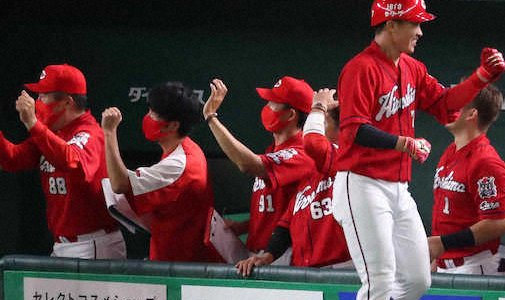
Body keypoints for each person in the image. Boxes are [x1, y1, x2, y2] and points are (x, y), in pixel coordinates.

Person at [328, 0, 505, 300]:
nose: (420, 31)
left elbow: (445, 105)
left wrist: (479, 78)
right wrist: (402, 143)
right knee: (378, 278)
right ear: (390, 24)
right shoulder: (361, 69)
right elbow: (354, 130)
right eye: (414, 23)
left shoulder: (410, 67)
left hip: (397, 186)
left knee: (417, 277)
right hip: (361, 181)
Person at [0, 64, 124, 259]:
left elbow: (70, 160)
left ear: (67, 102)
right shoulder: (52, 133)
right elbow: (12, 160)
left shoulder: (90, 133)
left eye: (43, 96)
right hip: (63, 244)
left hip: (92, 243)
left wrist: (33, 123)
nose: (37, 102)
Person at [235, 89, 351, 275]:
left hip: (343, 269)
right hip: (305, 269)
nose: (313, 129)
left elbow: (314, 144)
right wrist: (267, 256)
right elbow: (286, 224)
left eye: (323, 122)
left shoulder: (347, 162)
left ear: (342, 130)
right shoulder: (310, 170)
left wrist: (320, 106)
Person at [102, 81, 220, 263]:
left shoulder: (179, 164)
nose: (148, 117)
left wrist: (109, 132)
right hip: (175, 259)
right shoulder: (187, 148)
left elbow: (119, 184)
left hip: (180, 267)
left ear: (172, 126)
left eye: (154, 114)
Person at [203, 76, 315, 264]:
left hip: (282, 254)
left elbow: (246, 165)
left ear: (290, 115)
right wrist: (244, 226)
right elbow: (277, 209)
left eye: (274, 104)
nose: (267, 107)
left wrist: (211, 118)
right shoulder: (275, 149)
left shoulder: (302, 152)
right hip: (258, 254)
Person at [428, 83, 505, 275]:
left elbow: (496, 224)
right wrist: (437, 260)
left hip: (472, 267)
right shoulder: (450, 152)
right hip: (443, 266)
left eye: (455, 104)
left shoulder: (486, 161)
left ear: (471, 115)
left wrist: (443, 243)